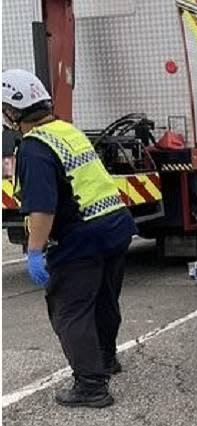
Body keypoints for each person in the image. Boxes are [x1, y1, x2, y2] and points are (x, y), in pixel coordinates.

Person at [2, 69, 137, 408]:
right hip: (116, 227)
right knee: (105, 300)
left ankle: (92, 386)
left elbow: (43, 210)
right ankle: (106, 359)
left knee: (70, 310)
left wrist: (34, 252)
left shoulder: (33, 149)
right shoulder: (66, 131)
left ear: (14, 111)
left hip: (82, 237)